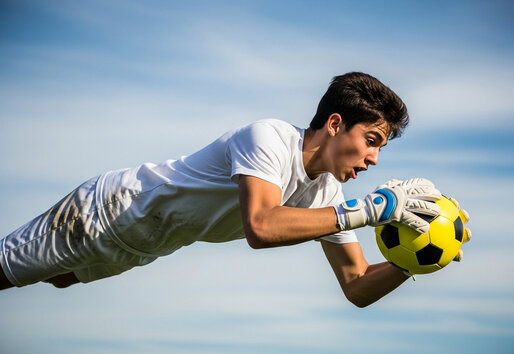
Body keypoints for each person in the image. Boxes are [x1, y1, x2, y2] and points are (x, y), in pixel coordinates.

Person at [0, 72, 470, 307]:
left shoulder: (328, 197)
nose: (374, 159)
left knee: (59, 279)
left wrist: (416, 259)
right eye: (371, 141)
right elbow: (261, 226)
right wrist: (369, 212)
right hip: (108, 210)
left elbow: (357, 286)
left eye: (380, 149)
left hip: (146, 244)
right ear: (334, 124)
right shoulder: (268, 137)